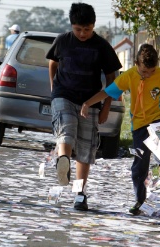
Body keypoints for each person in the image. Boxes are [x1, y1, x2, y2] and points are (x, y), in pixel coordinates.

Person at [80, 43, 160, 215]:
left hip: (158, 119)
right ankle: (139, 201)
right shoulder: (129, 76)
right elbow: (108, 92)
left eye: (151, 71)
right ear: (136, 64)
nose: (148, 75)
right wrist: (88, 102)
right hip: (138, 125)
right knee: (139, 165)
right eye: (144, 72)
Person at [46, 3, 122, 211]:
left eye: (87, 30)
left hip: (90, 102)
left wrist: (107, 106)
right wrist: (54, 88)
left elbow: (111, 79)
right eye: (78, 29)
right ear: (72, 26)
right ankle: (63, 161)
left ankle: (79, 193)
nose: (82, 34)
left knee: (85, 151)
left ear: (93, 26)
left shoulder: (101, 46)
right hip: (64, 95)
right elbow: (52, 63)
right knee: (66, 130)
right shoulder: (62, 41)